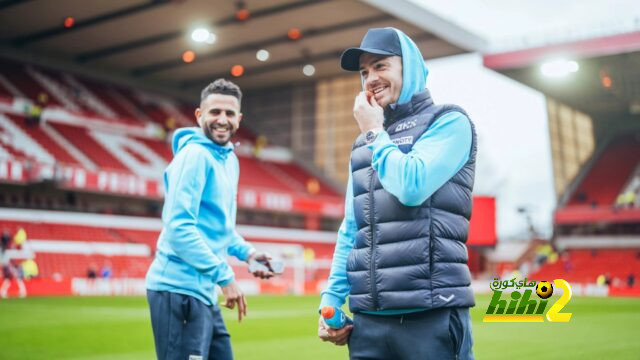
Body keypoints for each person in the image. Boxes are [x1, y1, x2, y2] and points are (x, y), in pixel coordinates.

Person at [317, 27, 477, 359]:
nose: (370, 78)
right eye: (364, 72)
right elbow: (351, 228)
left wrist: (374, 131)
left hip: (429, 316)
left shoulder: (449, 122)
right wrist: (330, 300)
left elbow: (411, 187)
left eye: (381, 66)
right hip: (368, 323)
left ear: (410, 66)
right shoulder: (363, 144)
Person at [146, 78, 274, 360]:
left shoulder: (229, 159)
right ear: (199, 115)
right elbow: (179, 229)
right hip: (176, 290)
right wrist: (225, 277)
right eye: (214, 112)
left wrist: (249, 254)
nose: (222, 119)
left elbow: (221, 229)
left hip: (203, 292)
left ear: (239, 119)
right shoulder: (194, 156)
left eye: (229, 113)